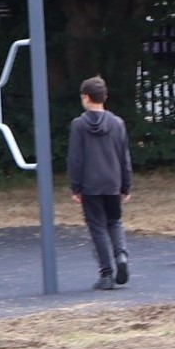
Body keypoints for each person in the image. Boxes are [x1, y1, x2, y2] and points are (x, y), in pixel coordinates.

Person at [67, 75, 134, 291]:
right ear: (104, 97)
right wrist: (126, 184)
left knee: (97, 227)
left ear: (86, 97)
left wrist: (75, 186)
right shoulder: (117, 123)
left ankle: (106, 273)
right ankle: (121, 254)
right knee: (114, 221)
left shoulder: (79, 125)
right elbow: (124, 156)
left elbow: (76, 158)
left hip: (90, 183)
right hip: (112, 181)